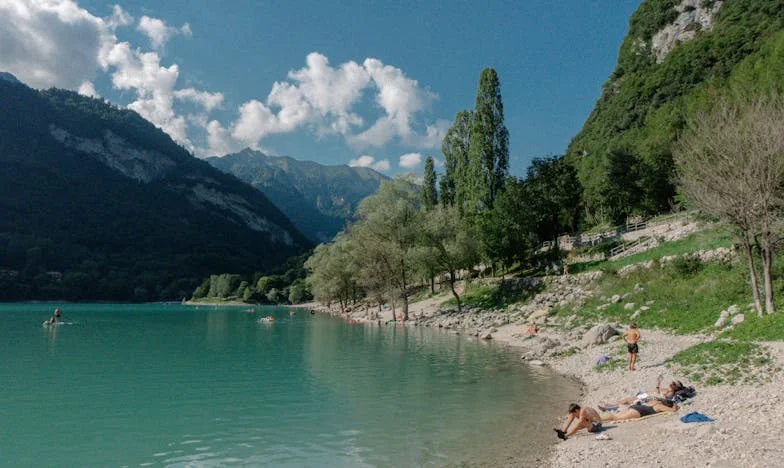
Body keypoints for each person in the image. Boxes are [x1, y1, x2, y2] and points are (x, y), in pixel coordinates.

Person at [599, 380, 686, 410]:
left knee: (628, 403)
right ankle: (610, 404)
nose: (672, 383)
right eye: (673, 382)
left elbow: (662, 397)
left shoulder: (671, 393)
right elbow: (657, 391)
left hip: (648, 399)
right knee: (626, 400)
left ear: (676, 388)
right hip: (645, 395)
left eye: (674, 384)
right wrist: (658, 385)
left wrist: (658, 387)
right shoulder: (667, 389)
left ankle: (609, 407)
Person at [601, 399, 678, 422]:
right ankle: (598, 420)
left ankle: (599, 418)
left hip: (635, 407)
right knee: (615, 418)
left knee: (614, 416)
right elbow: (673, 410)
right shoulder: (660, 405)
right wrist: (675, 405)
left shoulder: (654, 401)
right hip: (638, 411)